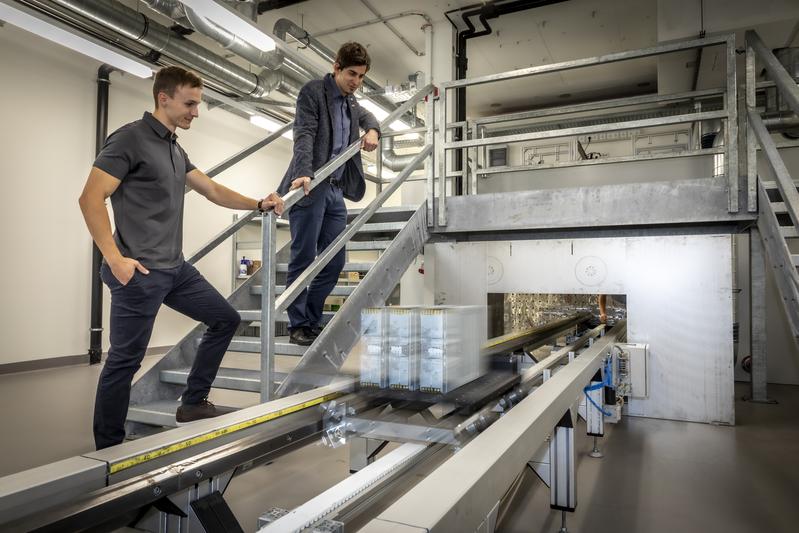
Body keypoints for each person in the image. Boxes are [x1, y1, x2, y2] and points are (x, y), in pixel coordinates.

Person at [79, 66, 284, 450]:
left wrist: (258, 203)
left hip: (175, 268)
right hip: (138, 272)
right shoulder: (129, 140)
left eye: (198, 104)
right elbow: (90, 198)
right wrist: (116, 259)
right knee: (124, 361)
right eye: (190, 103)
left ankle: (192, 403)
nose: (196, 111)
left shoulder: (173, 145)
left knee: (225, 318)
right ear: (164, 98)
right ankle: (108, 450)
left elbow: (211, 189)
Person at [277, 42, 380, 346]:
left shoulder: (350, 102)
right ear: (336, 66)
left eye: (361, 77)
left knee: (333, 263)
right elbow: (304, 133)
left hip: (336, 191)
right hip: (311, 186)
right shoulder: (313, 92)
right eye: (351, 74)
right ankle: (297, 324)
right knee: (303, 258)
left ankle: (311, 319)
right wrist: (303, 172)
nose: (356, 82)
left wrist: (372, 131)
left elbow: (368, 116)